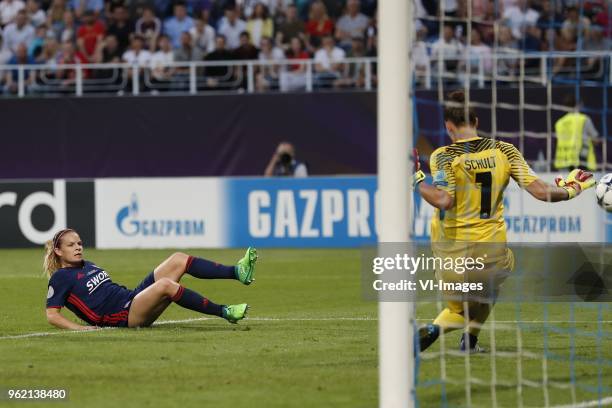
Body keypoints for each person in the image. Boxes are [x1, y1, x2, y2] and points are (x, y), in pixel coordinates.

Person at [416, 90, 595, 353]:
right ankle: (467, 339)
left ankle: (436, 332)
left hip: (450, 251)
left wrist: (416, 181)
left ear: (448, 126)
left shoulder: (443, 156)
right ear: (476, 120)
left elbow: (443, 200)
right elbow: (541, 192)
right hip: (491, 249)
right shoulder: (505, 150)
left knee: (459, 310)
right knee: (495, 281)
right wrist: (572, 189)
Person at [44, 228, 258, 329]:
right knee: (166, 285)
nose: (78, 247)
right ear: (58, 251)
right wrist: (82, 329)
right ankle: (224, 312)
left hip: (131, 299)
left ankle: (237, 272)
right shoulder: (61, 277)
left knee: (178, 259)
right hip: (122, 316)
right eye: (71, 245)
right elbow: (52, 315)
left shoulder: (88, 264)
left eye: (79, 242)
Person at [554, 93, 600, 171]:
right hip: (581, 159)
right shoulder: (583, 119)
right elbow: (595, 140)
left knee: (567, 183)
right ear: (578, 105)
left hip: (564, 161)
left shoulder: (559, 123)